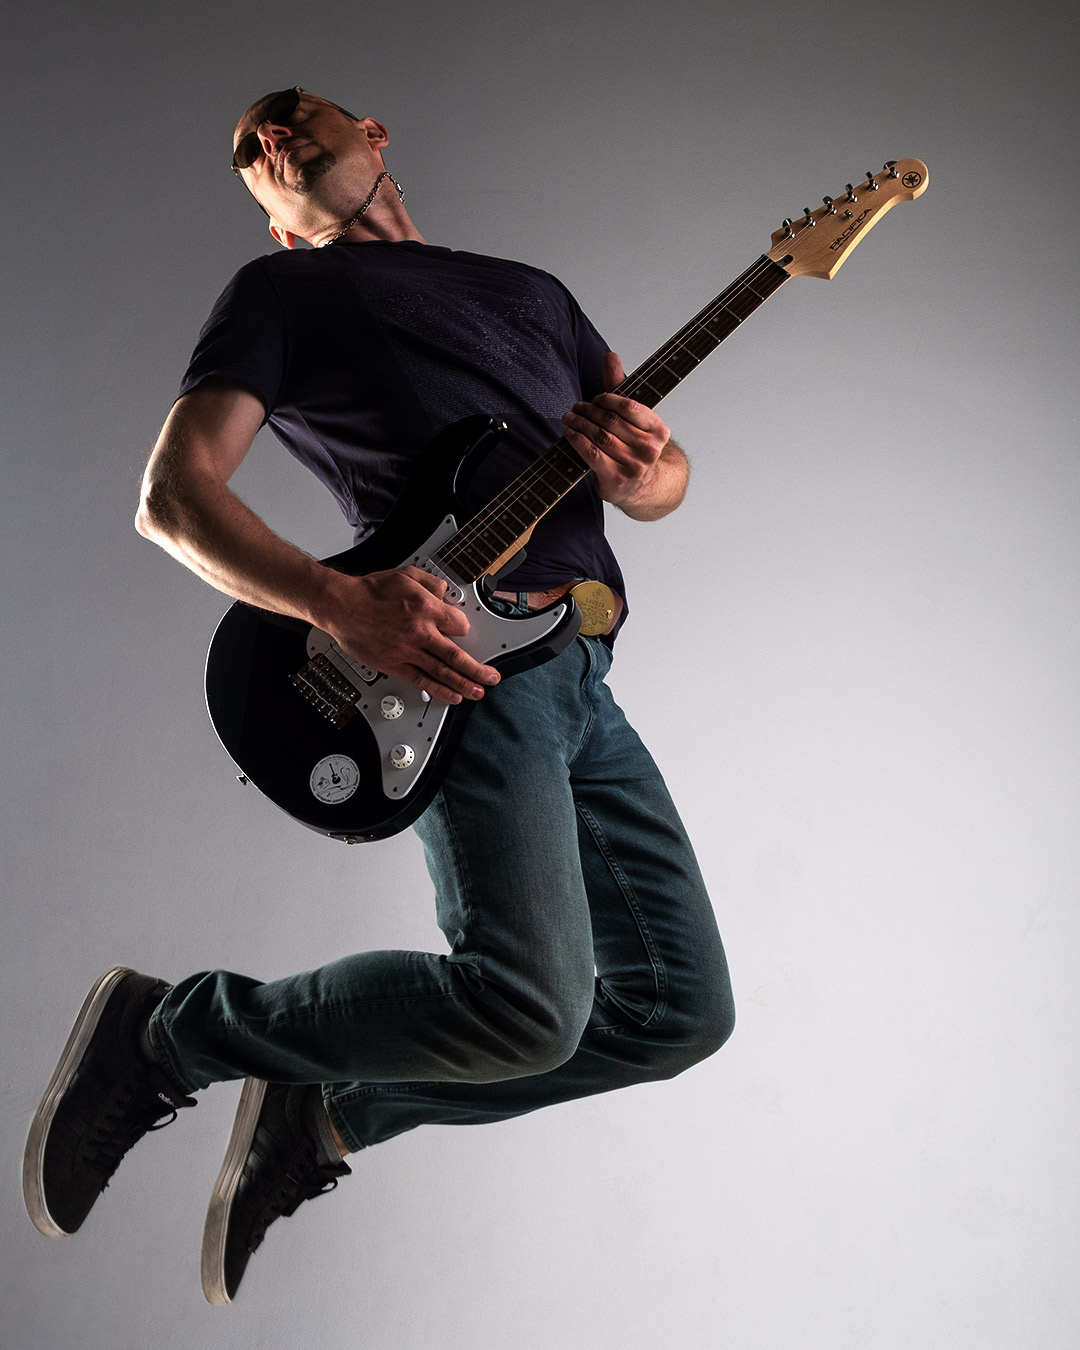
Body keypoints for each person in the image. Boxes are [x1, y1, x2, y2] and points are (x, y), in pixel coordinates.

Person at [23, 86, 734, 1305]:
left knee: (677, 1015)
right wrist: (335, 602)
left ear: (375, 134)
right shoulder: (280, 294)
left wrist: (646, 470)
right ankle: (168, 1033)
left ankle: (326, 1114)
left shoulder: (533, 293)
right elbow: (173, 498)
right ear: (271, 210)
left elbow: (657, 478)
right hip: (459, 668)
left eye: (288, 115)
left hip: (582, 667)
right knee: (528, 1008)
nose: (271, 139)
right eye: (251, 151)